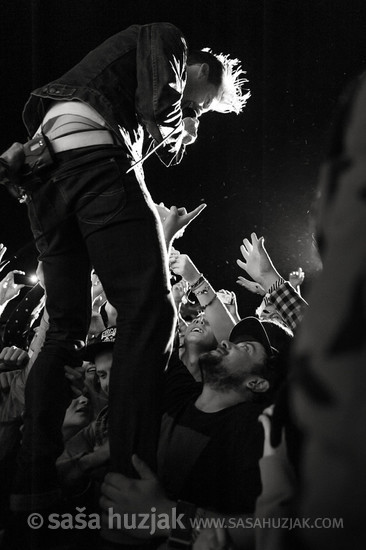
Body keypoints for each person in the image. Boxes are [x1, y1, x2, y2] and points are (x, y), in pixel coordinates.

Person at [6, 22, 249, 514]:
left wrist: (175, 123)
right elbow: (160, 101)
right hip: (92, 159)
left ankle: (30, 484)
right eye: (204, 101)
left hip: (45, 176)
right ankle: (127, 485)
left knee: (65, 329)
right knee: (151, 312)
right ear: (201, 69)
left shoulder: (126, 69)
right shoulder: (170, 41)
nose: (198, 110)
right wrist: (185, 121)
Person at [99, 315, 292, 547]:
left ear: (257, 383)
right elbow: (154, 320)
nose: (225, 343)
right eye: (232, 341)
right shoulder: (179, 396)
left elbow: (275, 528)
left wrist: (168, 516)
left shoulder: (254, 430)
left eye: (245, 348)